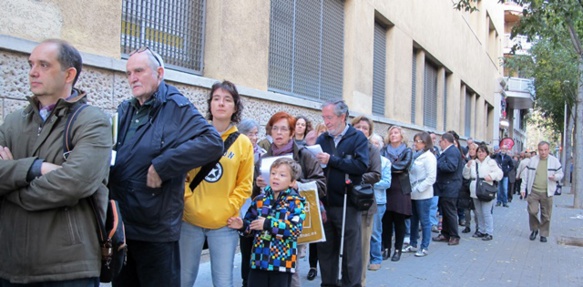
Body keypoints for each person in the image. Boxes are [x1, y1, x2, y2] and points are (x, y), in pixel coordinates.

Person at [0, 39, 111, 286]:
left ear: (69, 74)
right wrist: (34, 168)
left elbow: (75, 184)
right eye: (30, 64)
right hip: (9, 265)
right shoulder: (13, 122)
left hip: (67, 270)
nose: (32, 72)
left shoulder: (93, 122)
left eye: (44, 65)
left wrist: (11, 188)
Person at [109, 47, 223, 287]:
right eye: (129, 72)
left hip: (155, 230)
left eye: (139, 71)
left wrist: (163, 164)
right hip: (123, 226)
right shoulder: (126, 109)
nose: (132, 78)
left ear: (159, 73)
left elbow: (212, 142)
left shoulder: (176, 105)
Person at [180, 81, 254, 287]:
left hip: (224, 223)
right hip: (190, 221)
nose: (221, 103)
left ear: (235, 107)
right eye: (216, 98)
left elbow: (245, 185)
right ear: (210, 104)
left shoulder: (243, 143)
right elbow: (181, 174)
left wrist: (228, 208)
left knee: (223, 282)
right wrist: (188, 201)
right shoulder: (194, 135)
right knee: (183, 279)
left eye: (227, 99)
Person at [254, 111, 326, 287]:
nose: (278, 133)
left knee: (289, 268)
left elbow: (322, 185)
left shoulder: (303, 155)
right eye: (275, 128)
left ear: (292, 133)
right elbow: (255, 194)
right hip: (268, 219)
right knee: (269, 268)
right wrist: (257, 184)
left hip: (292, 218)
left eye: (284, 129)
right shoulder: (263, 158)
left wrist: (297, 184)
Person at [227, 158, 306, 287]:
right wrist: (242, 226)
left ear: (292, 182)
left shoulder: (295, 202)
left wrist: (268, 224)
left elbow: (295, 230)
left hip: (282, 264)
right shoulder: (259, 200)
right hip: (258, 260)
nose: (276, 177)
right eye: (273, 173)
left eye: (282, 175)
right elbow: (250, 227)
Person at [315, 99, 369, 287]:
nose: (326, 122)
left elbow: (362, 166)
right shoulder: (323, 139)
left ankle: (351, 285)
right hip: (325, 204)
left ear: (342, 117)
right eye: (324, 117)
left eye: (329, 117)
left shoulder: (357, 138)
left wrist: (333, 160)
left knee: (350, 252)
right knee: (326, 250)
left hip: (348, 204)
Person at [351, 116, 381, 285]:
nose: (361, 130)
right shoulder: (346, 146)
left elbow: (376, 175)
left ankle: (360, 282)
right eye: (358, 127)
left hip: (364, 203)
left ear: (369, 133)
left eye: (365, 128)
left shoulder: (372, 150)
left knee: (362, 247)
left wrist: (355, 175)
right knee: (347, 247)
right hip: (345, 203)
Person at [237, 118, 266, 287]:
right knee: (245, 246)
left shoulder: (262, 154)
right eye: (250, 134)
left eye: (256, 134)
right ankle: (245, 281)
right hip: (240, 205)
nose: (254, 138)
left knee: (256, 245)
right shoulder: (235, 152)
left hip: (257, 206)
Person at [380, 126, 413, 262]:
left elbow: (404, 166)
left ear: (401, 135)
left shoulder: (407, 150)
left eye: (396, 133)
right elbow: (378, 164)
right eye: (391, 133)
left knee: (399, 221)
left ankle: (398, 250)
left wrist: (387, 167)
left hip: (401, 188)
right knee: (386, 221)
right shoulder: (383, 150)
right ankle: (386, 249)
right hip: (386, 187)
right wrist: (393, 167)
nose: (393, 135)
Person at [520, 141, 564, 243]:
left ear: (548, 150)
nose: (543, 152)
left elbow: (560, 174)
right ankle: (535, 229)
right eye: (541, 150)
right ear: (538, 150)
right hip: (534, 191)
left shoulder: (554, 161)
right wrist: (523, 189)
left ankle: (543, 233)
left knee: (546, 215)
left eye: (545, 150)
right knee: (532, 211)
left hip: (547, 192)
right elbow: (525, 176)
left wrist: (555, 177)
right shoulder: (532, 161)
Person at [403, 132, 437, 257]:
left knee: (424, 221)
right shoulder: (415, 155)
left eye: (418, 141)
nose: (416, 143)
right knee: (413, 220)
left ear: (425, 143)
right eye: (415, 141)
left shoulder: (429, 157)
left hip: (423, 194)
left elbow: (431, 178)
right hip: (413, 192)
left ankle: (424, 246)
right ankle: (413, 244)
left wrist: (418, 189)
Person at [463, 144, 503, 241]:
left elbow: (500, 173)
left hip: (486, 189)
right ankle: (481, 230)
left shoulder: (491, 162)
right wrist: (467, 167)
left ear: (487, 153)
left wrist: (491, 176)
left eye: (483, 151)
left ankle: (489, 232)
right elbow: (466, 176)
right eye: (479, 151)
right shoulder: (472, 162)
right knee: (478, 212)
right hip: (475, 189)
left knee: (486, 212)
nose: (480, 153)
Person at [432, 132, 464, 246]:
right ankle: (445, 233)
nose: (439, 143)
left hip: (450, 187)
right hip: (445, 187)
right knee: (445, 211)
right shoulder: (448, 151)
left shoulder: (452, 151)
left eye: (440, 141)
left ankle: (454, 236)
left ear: (445, 141)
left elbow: (451, 166)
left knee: (450, 212)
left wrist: (437, 164)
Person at [368, 133, 391, 270]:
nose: (374, 145)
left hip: (378, 200)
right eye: (372, 142)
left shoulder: (385, 162)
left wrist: (369, 183)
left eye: (377, 143)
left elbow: (387, 182)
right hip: (363, 199)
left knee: (375, 232)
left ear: (381, 146)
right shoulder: (365, 158)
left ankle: (376, 258)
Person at [461, 142, 479, 234]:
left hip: (475, 187)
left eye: (473, 149)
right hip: (466, 186)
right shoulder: (466, 159)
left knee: (476, 209)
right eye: (470, 149)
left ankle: (478, 227)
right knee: (466, 209)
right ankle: (467, 226)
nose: (471, 151)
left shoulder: (479, 161)